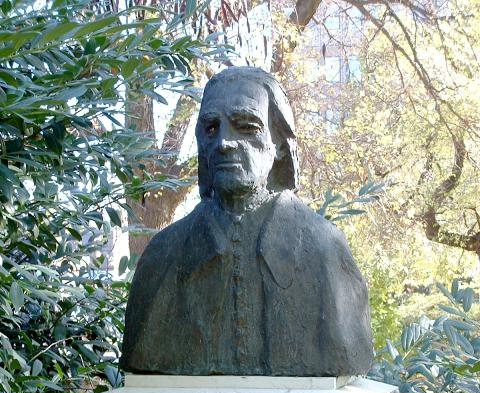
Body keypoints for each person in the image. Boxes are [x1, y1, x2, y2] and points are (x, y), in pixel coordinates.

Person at [120, 67, 373, 376]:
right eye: (211, 128)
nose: (224, 142)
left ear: (280, 146)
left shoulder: (325, 251)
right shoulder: (163, 256)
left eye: (246, 126)